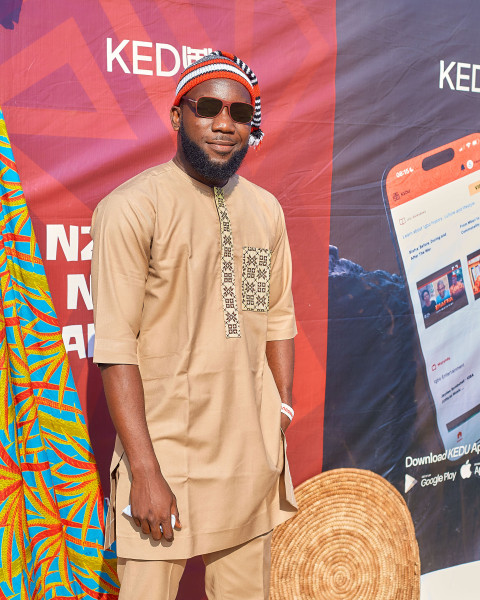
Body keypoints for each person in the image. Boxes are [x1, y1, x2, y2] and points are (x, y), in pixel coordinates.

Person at [91, 51, 298, 600]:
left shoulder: (265, 211)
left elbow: (276, 317)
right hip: (165, 460)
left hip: (247, 463)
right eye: (208, 108)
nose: (225, 124)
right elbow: (115, 348)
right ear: (177, 114)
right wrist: (144, 472)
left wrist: (278, 413)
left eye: (239, 112)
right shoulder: (132, 207)